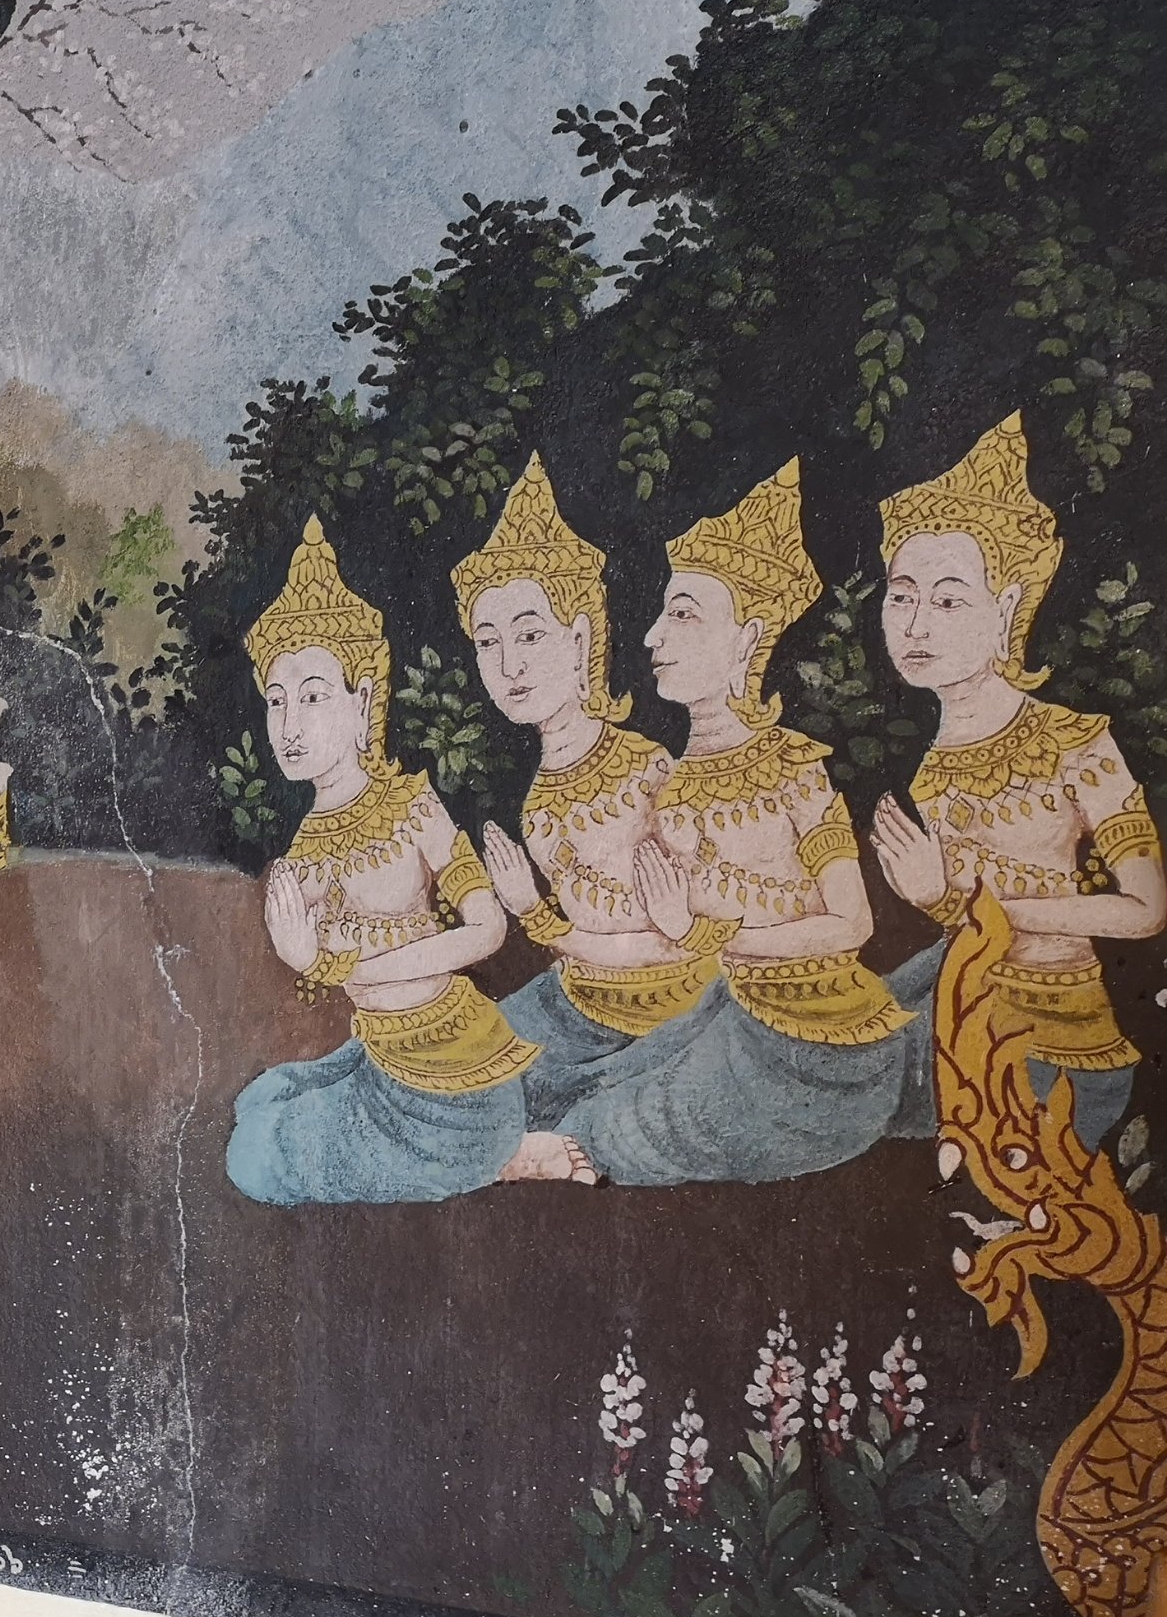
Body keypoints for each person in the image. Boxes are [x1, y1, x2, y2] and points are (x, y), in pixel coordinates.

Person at [553, 462, 917, 1183]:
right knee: (579, 1088)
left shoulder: (793, 768)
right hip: (728, 1014)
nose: (652, 636)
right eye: (663, 613)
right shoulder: (669, 782)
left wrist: (697, 934)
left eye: (683, 614)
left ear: (746, 640)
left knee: (609, 1128)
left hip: (822, 1045)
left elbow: (851, 924)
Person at [226, 518, 585, 1204]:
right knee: (262, 1101)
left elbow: (487, 929)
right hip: (385, 1066)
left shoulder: (413, 807)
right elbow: (324, 971)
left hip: (457, 1086)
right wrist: (310, 960)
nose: (290, 724)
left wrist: (331, 964)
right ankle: (487, 1152)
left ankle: (500, 1156)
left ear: (362, 702)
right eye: (276, 701)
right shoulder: (305, 851)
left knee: (255, 1158)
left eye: (313, 696)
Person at [867, 413, 1164, 1149]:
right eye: (901, 595)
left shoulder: (1076, 742)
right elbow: (967, 930)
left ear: (1004, 609)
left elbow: (1146, 910)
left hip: (1061, 1046)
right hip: (961, 1000)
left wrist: (947, 897)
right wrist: (943, 903)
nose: (915, 625)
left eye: (948, 599)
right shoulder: (934, 765)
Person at [456, 456, 714, 1125]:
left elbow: (693, 944)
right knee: (461, 1071)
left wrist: (535, 914)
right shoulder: (539, 802)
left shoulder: (648, 769)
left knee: (532, 1105)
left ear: (579, 640)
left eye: (530, 635)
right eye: (488, 642)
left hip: (676, 1015)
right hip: (577, 1004)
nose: (509, 665)